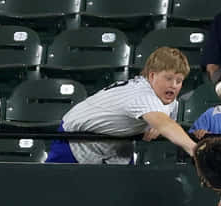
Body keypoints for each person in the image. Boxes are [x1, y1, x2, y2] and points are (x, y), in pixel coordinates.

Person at [45, 47, 196, 164]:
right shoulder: (141, 95)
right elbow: (165, 124)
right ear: (152, 75)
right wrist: (195, 150)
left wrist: (157, 124)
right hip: (75, 142)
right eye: (168, 78)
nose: (174, 85)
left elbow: (164, 122)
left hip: (116, 148)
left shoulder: (168, 100)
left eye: (179, 80)